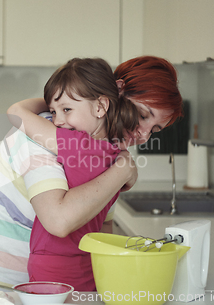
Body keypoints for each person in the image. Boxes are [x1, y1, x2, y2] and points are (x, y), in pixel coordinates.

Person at [0, 55, 182, 292]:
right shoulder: (43, 133)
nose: (143, 136)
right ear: (116, 92)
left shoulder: (109, 148)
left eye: (155, 130)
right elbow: (58, 220)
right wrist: (124, 170)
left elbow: (101, 230)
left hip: (61, 291)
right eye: (142, 115)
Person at [7, 57, 141, 291]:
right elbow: (105, 225)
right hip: (90, 264)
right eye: (53, 111)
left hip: (51, 267)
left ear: (100, 107)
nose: (57, 121)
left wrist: (50, 100)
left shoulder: (75, 143)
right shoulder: (117, 154)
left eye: (67, 110)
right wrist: (63, 99)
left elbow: (15, 112)